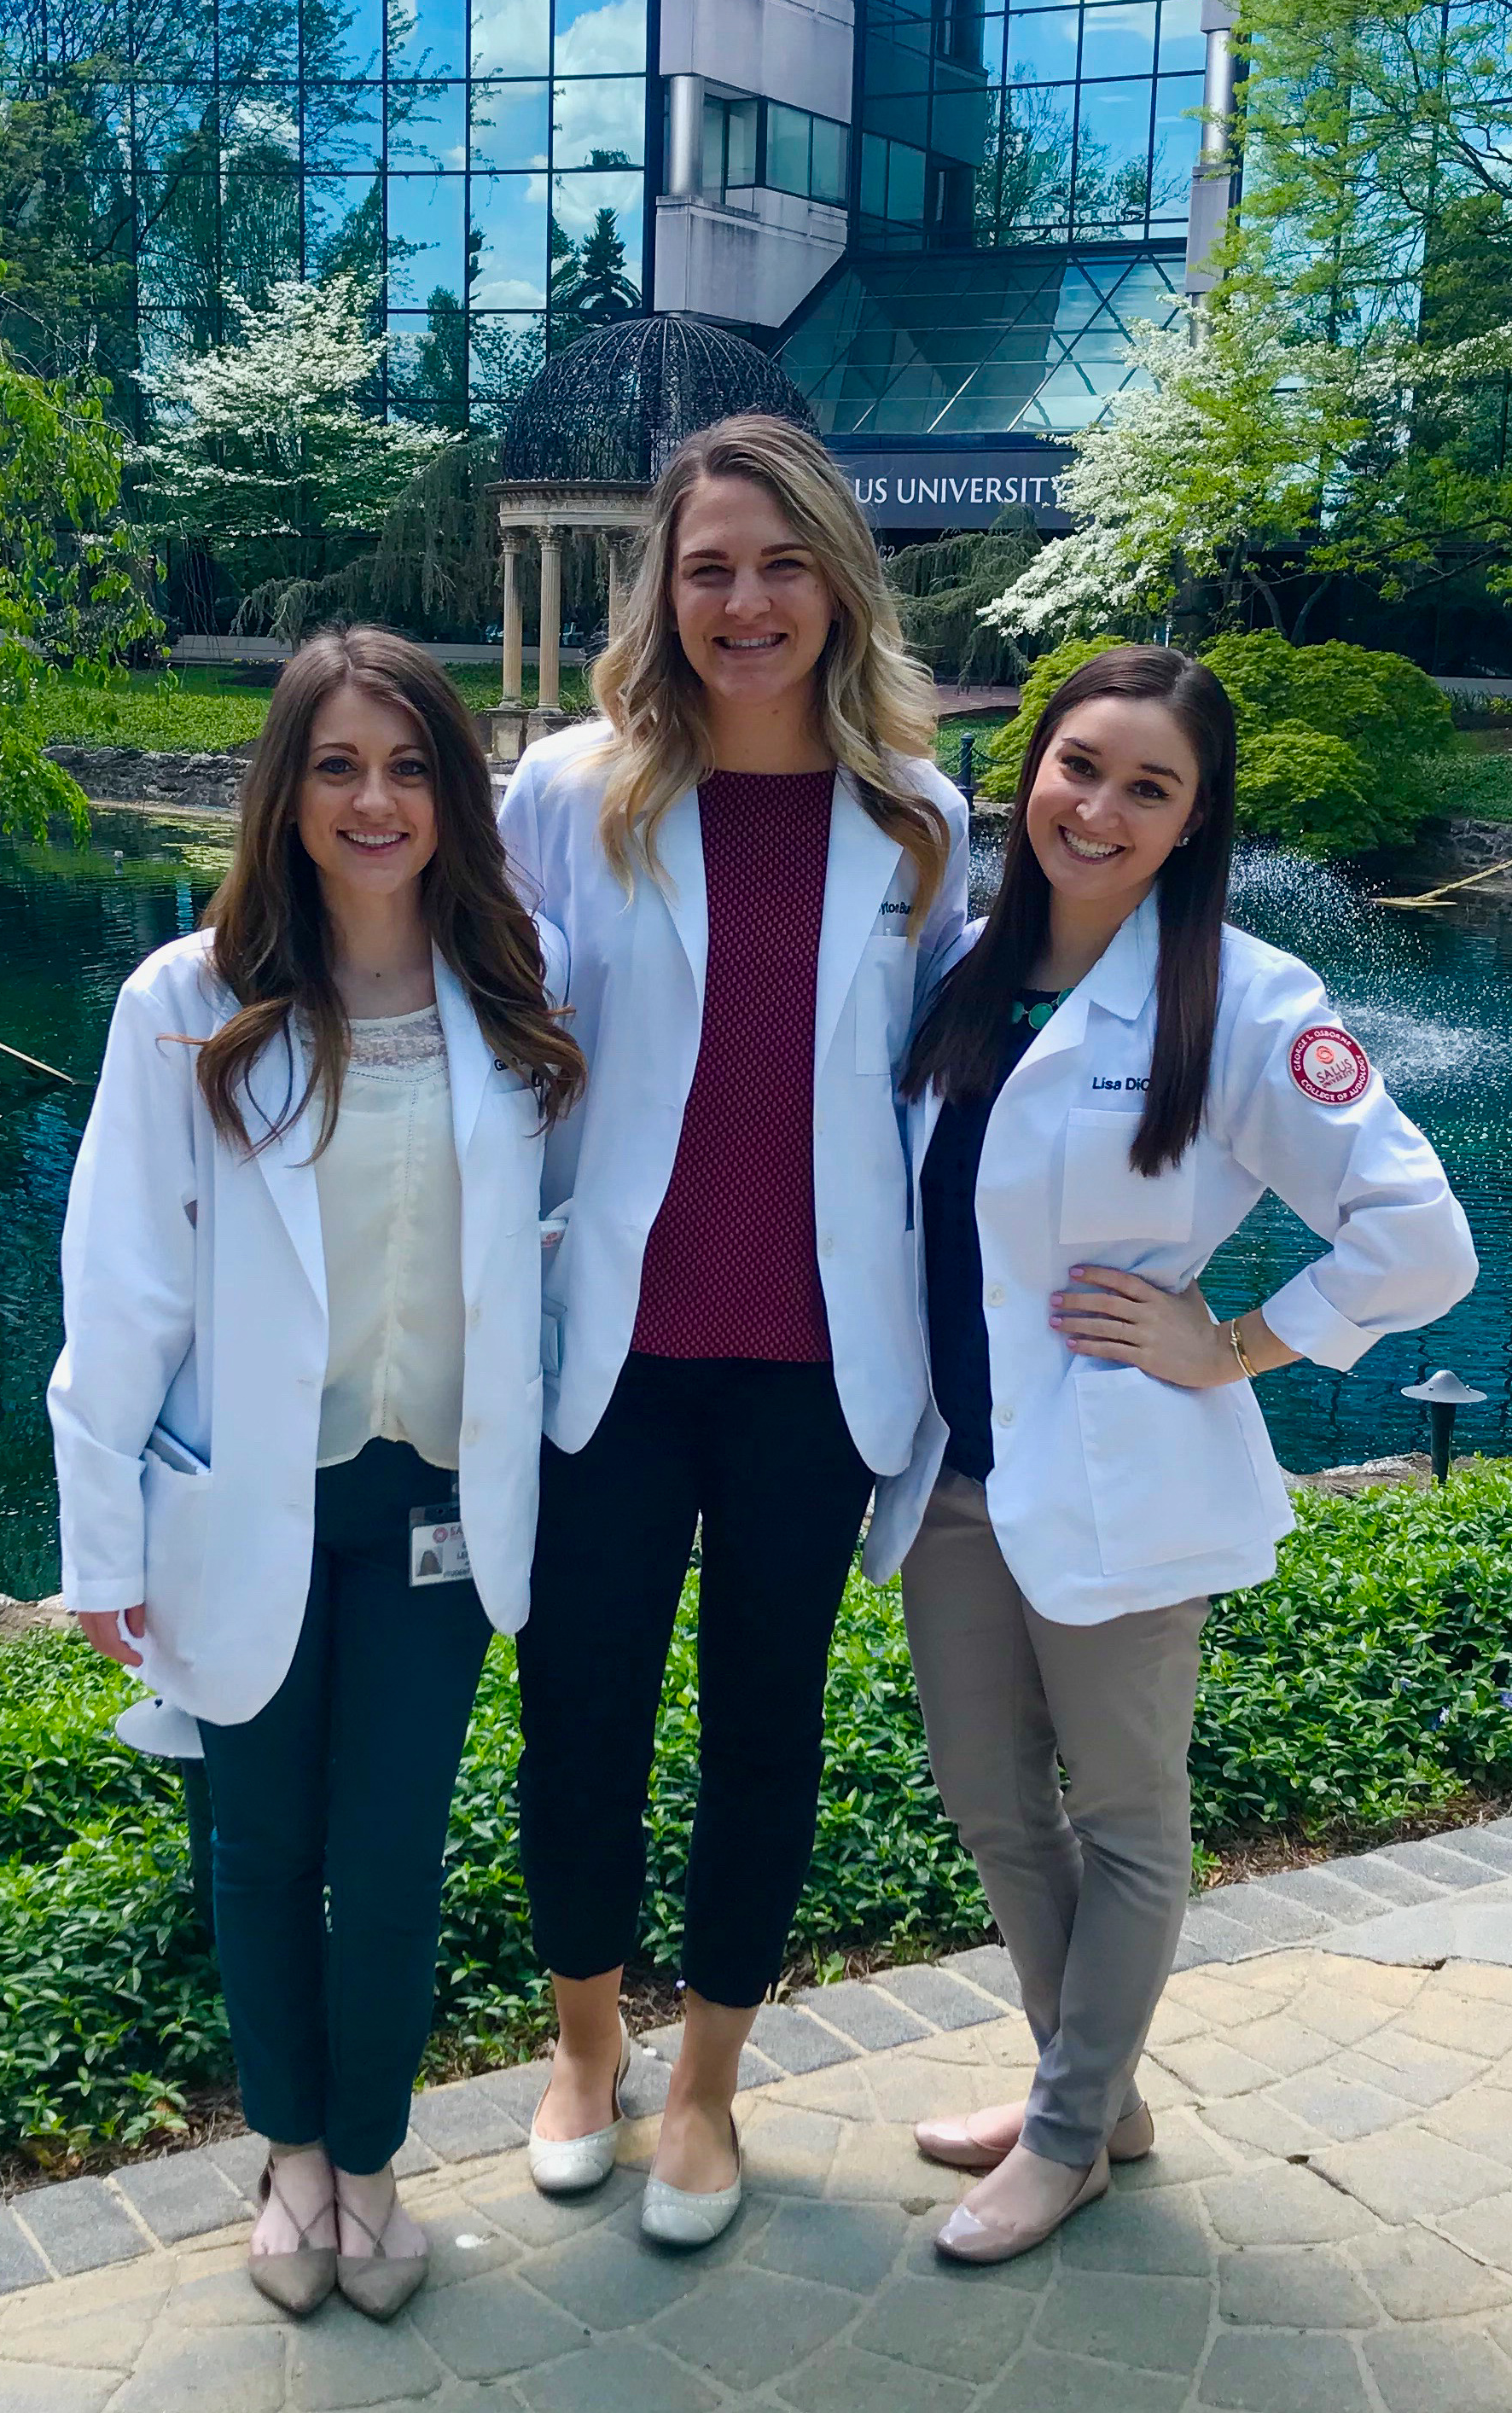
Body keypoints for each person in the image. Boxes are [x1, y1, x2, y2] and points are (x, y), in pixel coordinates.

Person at [866, 643, 1476, 2265]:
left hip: (1120, 1471)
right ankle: (1097, 2090)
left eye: (1153, 788)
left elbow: (1419, 1241)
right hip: (955, 1476)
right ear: (1031, 774)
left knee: (1126, 1816)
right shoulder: (964, 969)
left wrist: (1241, 1343)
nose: (1103, 807)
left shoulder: (1252, 998)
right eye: (1081, 766)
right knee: (992, 1803)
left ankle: (1068, 2138)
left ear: (1196, 822)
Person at [48, 626, 584, 2321]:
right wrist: (100, 1543)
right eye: (341, 765)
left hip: (434, 1494)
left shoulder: (520, 970)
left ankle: (369, 2158)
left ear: (455, 792)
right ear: (288, 789)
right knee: (264, 1841)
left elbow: (554, 1238)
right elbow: (122, 1285)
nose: (376, 800)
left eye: (411, 765)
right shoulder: (189, 999)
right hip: (247, 1497)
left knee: (398, 1848)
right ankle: (287, 2153)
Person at [500, 414, 969, 2247]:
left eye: (781, 565)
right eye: (709, 567)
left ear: (839, 585)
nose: (745, 601)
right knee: (581, 1712)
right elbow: (491, 1047)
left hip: (816, 1361)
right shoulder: (570, 786)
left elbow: (936, 1089)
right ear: (663, 587)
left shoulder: (918, 813)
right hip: (606, 1347)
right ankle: (584, 2054)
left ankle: (707, 2089)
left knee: (766, 1724)